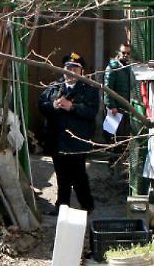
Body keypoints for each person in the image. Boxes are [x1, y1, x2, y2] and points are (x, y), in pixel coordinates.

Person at [38, 52, 98, 214]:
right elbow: (42, 104)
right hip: (57, 139)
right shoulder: (54, 86)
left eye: (74, 69)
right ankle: (62, 206)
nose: (70, 72)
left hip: (78, 139)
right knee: (61, 175)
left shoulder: (89, 89)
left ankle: (86, 206)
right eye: (68, 68)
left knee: (79, 175)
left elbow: (91, 111)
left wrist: (72, 107)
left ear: (81, 71)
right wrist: (54, 105)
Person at [103, 42, 136, 142]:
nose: (125, 55)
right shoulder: (112, 67)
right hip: (116, 106)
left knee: (124, 134)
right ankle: (112, 155)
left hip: (127, 105)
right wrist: (111, 105)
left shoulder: (130, 67)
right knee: (113, 133)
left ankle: (120, 154)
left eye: (128, 53)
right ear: (119, 53)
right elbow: (107, 88)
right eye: (123, 52)